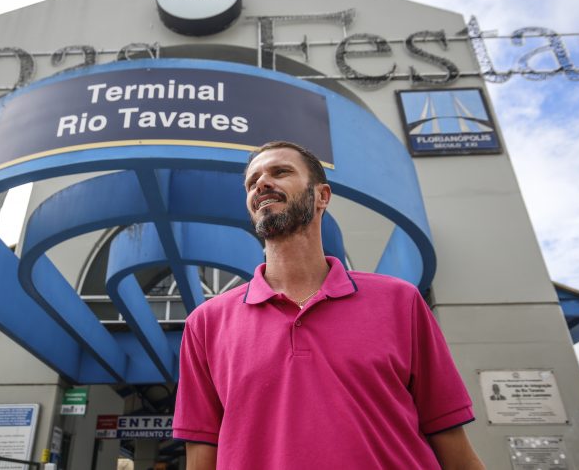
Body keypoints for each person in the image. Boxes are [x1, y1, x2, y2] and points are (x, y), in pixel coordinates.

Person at [172, 141, 485, 469]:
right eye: (252, 182)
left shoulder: (400, 301)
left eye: (280, 172)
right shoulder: (206, 323)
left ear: (322, 196)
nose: (262, 183)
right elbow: (201, 456)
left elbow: (452, 442)